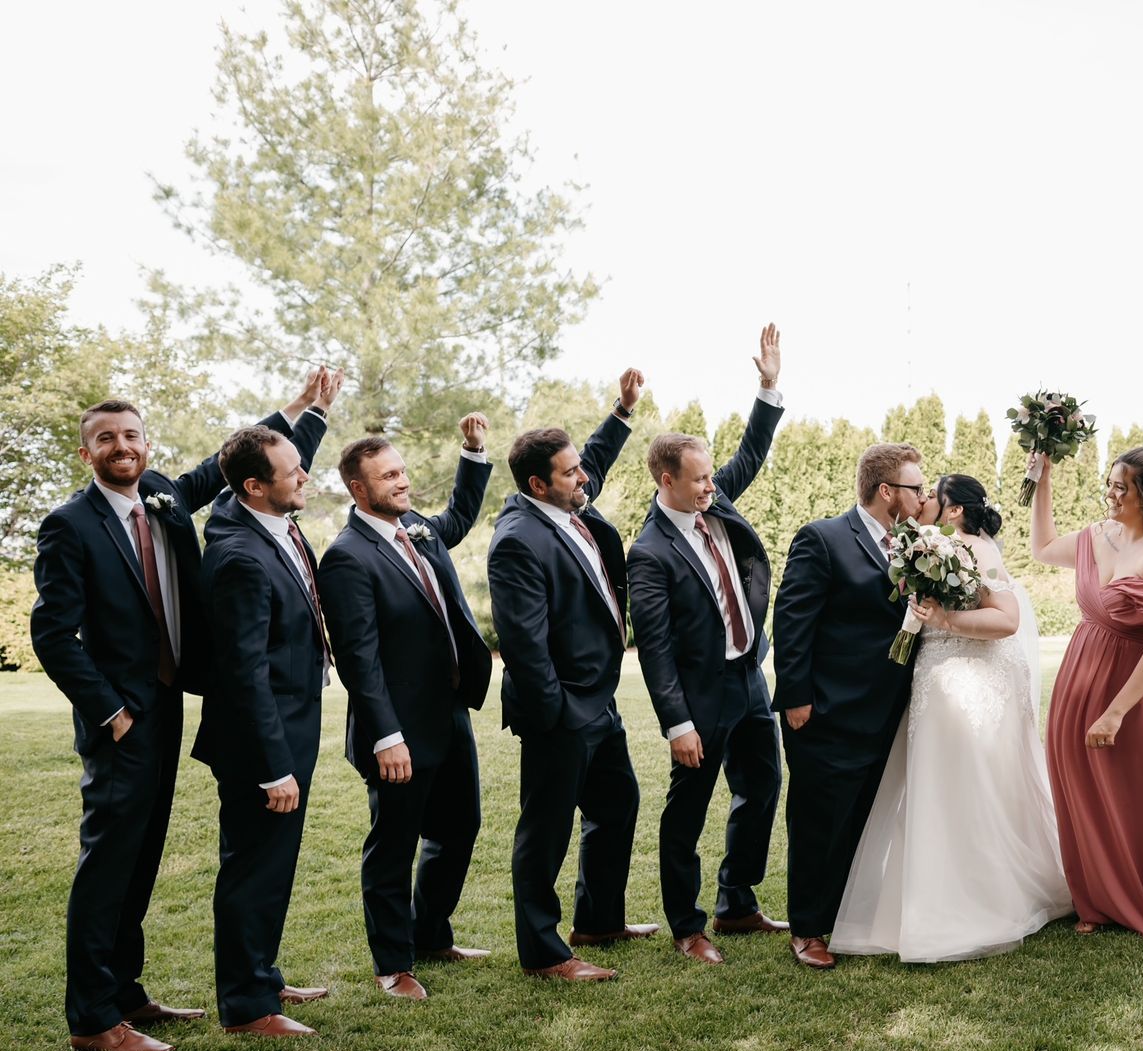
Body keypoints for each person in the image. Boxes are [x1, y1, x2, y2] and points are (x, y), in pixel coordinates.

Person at [31, 373, 335, 1051]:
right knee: (109, 864)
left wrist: (298, 411)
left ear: (145, 443)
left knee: (141, 857)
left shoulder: (164, 497)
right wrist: (109, 710)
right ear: (88, 454)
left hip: (168, 706)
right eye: (106, 438)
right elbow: (51, 633)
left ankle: (128, 992)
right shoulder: (70, 525)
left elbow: (233, 466)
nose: (122, 446)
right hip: (123, 719)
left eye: (131, 435)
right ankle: (91, 1019)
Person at [832, 474, 1073, 962]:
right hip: (933, 677)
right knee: (933, 787)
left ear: (955, 510)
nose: (924, 502)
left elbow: (1006, 620)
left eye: (932, 498)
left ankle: (971, 903)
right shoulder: (928, 544)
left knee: (959, 786)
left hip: (959, 681)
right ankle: (924, 901)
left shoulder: (967, 549)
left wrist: (943, 620)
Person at [314, 414, 496, 1001]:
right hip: (395, 729)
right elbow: (357, 658)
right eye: (387, 476)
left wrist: (472, 454)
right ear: (357, 489)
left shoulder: (417, 528)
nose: (402, 482)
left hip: (449, 714)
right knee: (393, 846)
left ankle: (430, 934)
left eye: (402, 471)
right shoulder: (347, 556)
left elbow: (459, 518)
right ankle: (393, 963)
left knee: (460, 827)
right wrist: (386, 735)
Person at [489, 370, 659, 982]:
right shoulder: (518, 541)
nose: (583, 477)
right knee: (545, 831)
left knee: (617, 805)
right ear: (538, 484)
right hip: (560, 708)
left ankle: (598, 920)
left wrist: (621, 410)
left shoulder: (569, 506)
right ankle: (544, 953)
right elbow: (524, 648)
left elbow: (592, 462)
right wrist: (560, 713)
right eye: (570, 473)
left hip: (600, 699)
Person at [627, 326, 789, 966]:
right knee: (686, 812)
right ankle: (689, 926)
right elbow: (655, 649)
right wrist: (677, 722)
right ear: (665, 479)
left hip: (750, 677)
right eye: (697, 480)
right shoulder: (649, 553)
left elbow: (749, 454)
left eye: (709, 478)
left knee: (765, 788)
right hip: (700, 696)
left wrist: (768, 388)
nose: (710, 487)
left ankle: (737, 902)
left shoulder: (713, 503)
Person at [193, 419, 342, 1036]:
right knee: (253, 868)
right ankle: (248, 1007)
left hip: (292, 724)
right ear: (254, 487)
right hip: (263, 739)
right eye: (293, 470)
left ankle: (264, 976)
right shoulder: (238, 557)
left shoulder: (270, 523)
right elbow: (243, 672)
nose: (305, 473)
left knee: (273, 864)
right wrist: (272, 765)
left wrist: (305, 413)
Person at [1031, 444, 1143, 938]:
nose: (1110, 494)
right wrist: (1042, 480)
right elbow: (1041, 549)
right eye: (1109, 484)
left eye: (1120, 487)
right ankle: (1099, 898)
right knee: (1080, 781)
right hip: (1083, 667)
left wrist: (1116, 712)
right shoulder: (1094, 536)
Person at [773, 443, 924, 969]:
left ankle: (841, 917)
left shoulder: (912, 546)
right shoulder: (824, 538)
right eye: (916, 488)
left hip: (885, 711)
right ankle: (807, 929)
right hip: (827, 712)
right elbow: (792, 622)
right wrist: (795, 700)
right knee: (819, 822)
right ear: (887, 492)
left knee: (860, 818)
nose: (924, 497)